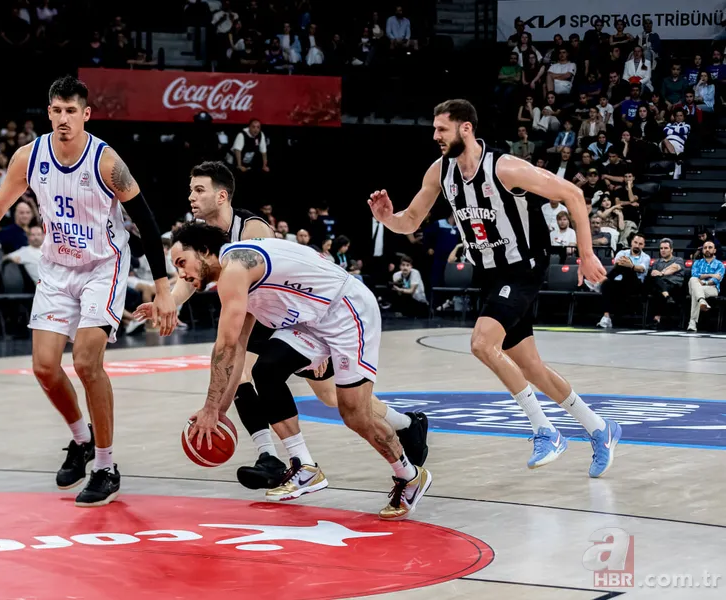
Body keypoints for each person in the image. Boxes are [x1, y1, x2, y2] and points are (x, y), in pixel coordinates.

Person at [0, 76, 176, 507]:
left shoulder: (107, 161)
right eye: (56, 110)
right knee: (43, 367)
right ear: (49, 113)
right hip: (57, 267)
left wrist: (164, 288)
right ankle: (81, 440)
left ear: (86, 114)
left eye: (71, 111)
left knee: (86, 361)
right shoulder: (29, 156)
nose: (63, 119)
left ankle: (106, 465)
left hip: (103, 264)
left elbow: (146, 223)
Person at [134, 161, 428, 498]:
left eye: (199, 190)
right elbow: (194, 284)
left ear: (222, 195)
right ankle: (287, 461)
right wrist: (167, 302)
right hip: (298, 314)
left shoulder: (248, 237)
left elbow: (231, 342)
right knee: (263, 370)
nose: (191, 197)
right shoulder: (205, 245)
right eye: (190, 190)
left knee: (344, 405)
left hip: (338, 309)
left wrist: (214, 410)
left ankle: (407, 445)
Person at [369, 99, 623, 478]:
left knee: (481, 344)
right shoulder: (440, 173)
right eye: (435, 129)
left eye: (442, 129)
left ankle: (545, 430)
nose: (435, 135)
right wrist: (388, 218)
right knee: (532, 368)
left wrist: (586, 254)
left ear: (465, 128)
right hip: (490, 273)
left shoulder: (505, 168)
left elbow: (572, 193)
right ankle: (600, 429)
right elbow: (411, 221)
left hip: (524, 267)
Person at [172, 223, 432, 520]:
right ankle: (304, 466)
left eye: (182, 263)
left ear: (205, 251)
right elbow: (238, 349)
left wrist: (209, 407)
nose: (182, 275)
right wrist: (218, 410)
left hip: (347, 311)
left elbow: (225, 347)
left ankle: (409, 475)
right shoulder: (235, 276)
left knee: (353, 412)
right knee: (266, 370)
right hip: (312, 321)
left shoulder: (235, 268)